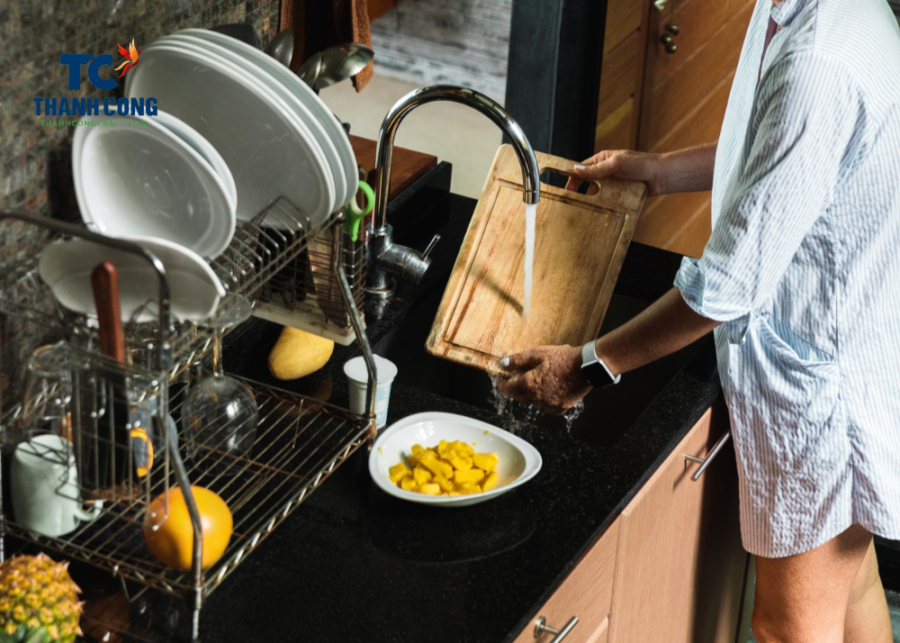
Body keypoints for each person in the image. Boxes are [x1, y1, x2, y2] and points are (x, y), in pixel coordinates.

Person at [497, 0, 900, 641]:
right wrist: (661, 173)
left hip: (820, 402)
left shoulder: (820, 59)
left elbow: (726, 287)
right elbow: (780, 153)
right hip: (847, 356)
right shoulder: (828, 14)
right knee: (853, 590)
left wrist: (589, 365)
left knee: (786, 626)